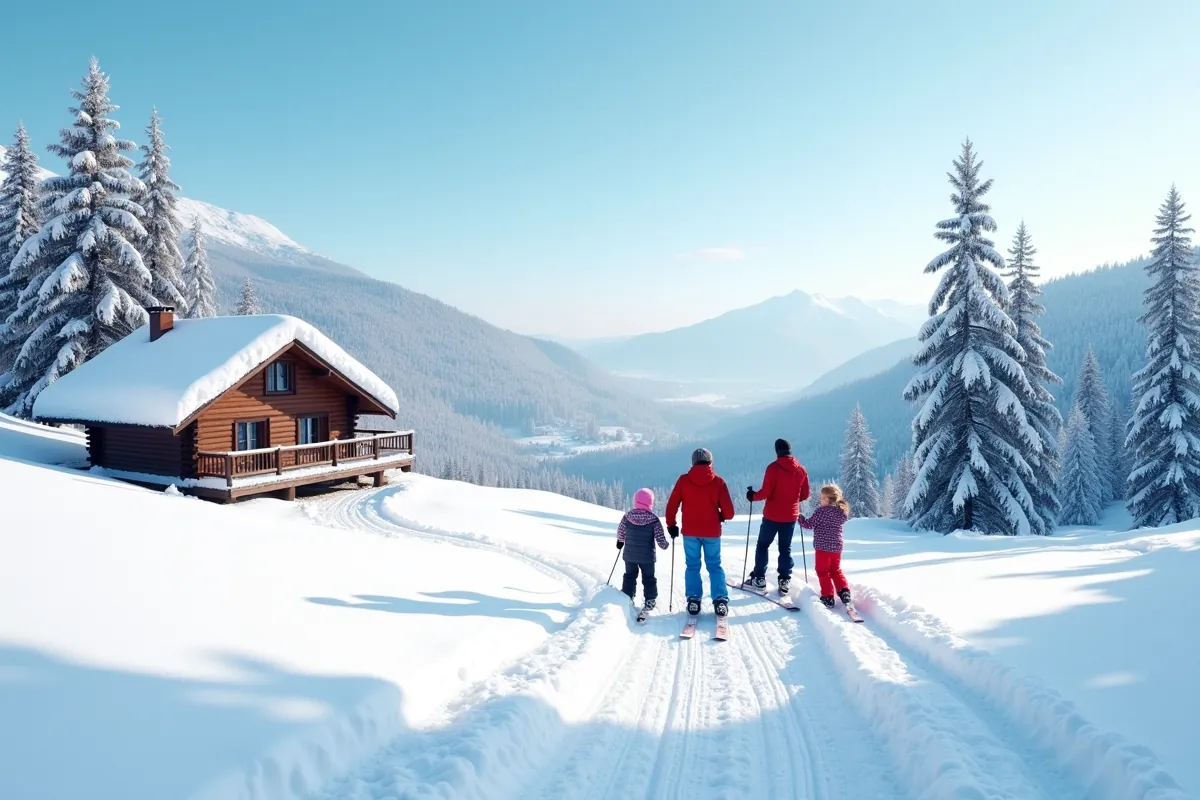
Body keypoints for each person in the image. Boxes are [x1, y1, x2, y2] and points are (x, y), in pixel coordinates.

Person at [667, 448, 736, 617]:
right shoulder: (718, 482)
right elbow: (730, 513)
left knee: (692, 565)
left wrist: (671, 524)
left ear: (692, 463)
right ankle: (720, 599)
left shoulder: (683, 480)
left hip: (690, 531)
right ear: (710, 462)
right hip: (712, 532)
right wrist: (718, 516)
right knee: (714, 565)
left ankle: (693, 599)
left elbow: (671, 505)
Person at [744, 438, 810, 595]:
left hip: (772, 515)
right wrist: (792, 501)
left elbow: (766, 492)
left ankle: (759, 578)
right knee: (785, 548)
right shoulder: (801, 470)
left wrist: (752, 496)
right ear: (790, 450)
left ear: (776, 451)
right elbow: (805, 494)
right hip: (790, 516)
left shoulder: (773, 468)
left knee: (763, 546)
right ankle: (784, 580)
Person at [799, 483, 852, 608]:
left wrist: (800, 519)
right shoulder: (841, 513)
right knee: (836, 570)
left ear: (828, 499)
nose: (820, 500)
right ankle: (844, 591)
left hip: (822, 547)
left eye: (822, 498)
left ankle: (828, 596)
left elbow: (809, 524)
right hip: (836, 547)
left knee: (823, 572)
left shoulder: (821, 512)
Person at [616, 488, 670, 612]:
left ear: (636, 501)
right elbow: (660, 539)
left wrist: (620, 542)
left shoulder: (627, 516)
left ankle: (627, 596)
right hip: (647, 557)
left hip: (630, 556)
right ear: (650, 502)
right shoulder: (654, 519)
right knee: (649, 578)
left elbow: (621, 532)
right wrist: (666, 545)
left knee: (629, 576)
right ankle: (650, 600)